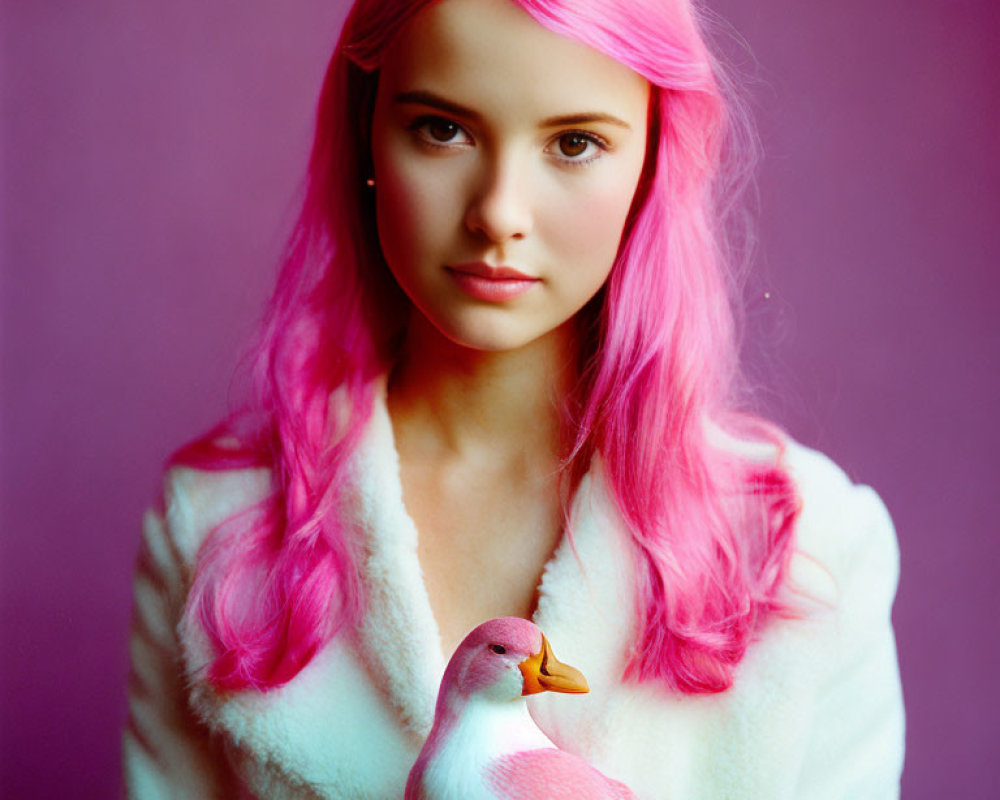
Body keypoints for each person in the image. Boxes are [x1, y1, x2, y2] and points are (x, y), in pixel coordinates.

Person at [122, 0, 905, 797]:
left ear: (652, 163)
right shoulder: (213, 527)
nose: (497, 212)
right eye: (441, 128)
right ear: (367, 129)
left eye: (574, 143)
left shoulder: (817, 552)